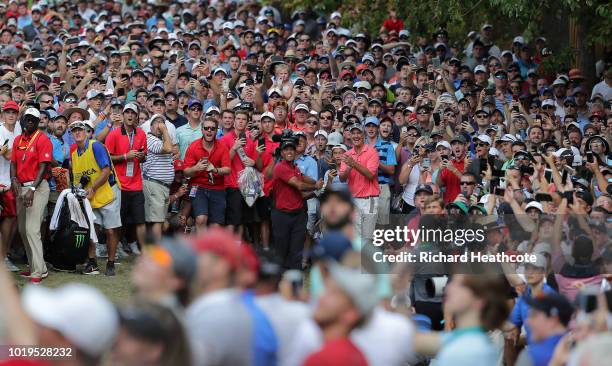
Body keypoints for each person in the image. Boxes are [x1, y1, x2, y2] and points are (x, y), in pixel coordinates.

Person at [185, 228, 254, 366]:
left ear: (221, 267)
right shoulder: (224, 303)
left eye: (198, 255)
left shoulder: (216, 313)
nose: (192, 261)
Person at [414, 275, 510, 366]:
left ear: (479, 300)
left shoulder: (469, 349)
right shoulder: (464, 338)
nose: (448, 288)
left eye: (459, 285)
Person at [70, 120, 122, 277]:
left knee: (110, 230)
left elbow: (106, 171)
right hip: (91, 196)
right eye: (74, 130)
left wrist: (93, 188)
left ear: (86, 132)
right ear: (72, 135)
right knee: (90, 229)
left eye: (80, 129)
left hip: (107, 192)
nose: (77, 132)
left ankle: (111, 262)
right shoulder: (74, 154)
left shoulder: (96, 146)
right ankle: (92, 262)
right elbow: (78, 180)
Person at [303, 251, 373, 366]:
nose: (321, 298)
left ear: (350, 314)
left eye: (333, 293)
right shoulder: (354, 354)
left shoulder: (325, 359)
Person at [11, 108, 52, 283]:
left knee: (32, 229)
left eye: (33, 120)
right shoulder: (18, 139)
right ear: (23, 120)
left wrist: (32, 189)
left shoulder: (43, 139)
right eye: (27, 119)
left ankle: (38, 272)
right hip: (21, 187)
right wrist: (13, 178)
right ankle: (37, 266)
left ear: (37, 122)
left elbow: (44, 167)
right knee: (22, 229)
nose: (29, 122)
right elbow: (13, 161)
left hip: (37, 188)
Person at [271, 133, 321, 269]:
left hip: (297, 215)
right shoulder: (281, 167)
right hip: (282, 215)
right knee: (282, 251)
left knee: (296, 251)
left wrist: (316, 190)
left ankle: (295, 283)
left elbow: (303, 193)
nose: (289, 152)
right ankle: (279, 282)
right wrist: (316, 186)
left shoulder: (296, 169)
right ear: (281, 152)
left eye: (292, 149)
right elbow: (299, 185)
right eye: (286, 149)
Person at [106, 102, 147, 255]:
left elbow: (143, 157)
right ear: (123, 115)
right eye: (127, 112)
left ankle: (145, 253)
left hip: (136, 183)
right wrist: (125, 156)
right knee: (118, 221)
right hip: (120, 184)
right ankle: (114, 249)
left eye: (133, 113)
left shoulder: (141, 134)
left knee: (140, 221)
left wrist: (141, 156)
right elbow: (108, 158)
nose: (130, 115)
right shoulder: (114, 133)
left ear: (136, 117)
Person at [183, 118, 231, 232]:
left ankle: (212, 248)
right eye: (206, 128)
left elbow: (228, 169)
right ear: (202, 130)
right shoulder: (194, 146)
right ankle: (201, 249)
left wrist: (215, 170)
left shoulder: (222, 146)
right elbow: (185, 172)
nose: (209, 131)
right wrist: (196, 168)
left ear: (216, 130)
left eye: (212, 128)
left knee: (216, 226)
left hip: (218, 187)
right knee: (201, 219)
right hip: (198, 186)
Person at [339, 123, 380, 245]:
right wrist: (348, 167)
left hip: (369, 199)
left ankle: (366, 263)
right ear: (349, 136)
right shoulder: (347, 154)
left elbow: (370, 175)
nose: (356, 136)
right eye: (353, 133)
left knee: (367, 237)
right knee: (355, 235)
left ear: (364, 135)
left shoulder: (372, 152)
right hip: (354, 199)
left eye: (359, 133)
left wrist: (353, 164)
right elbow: (342, 178)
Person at [515, 293, 573, 366]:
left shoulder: (531, 356)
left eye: (533, 315)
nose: (528, 321)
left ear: (553, 320)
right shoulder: (583, 350)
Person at [142, 114, 174, 240]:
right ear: (150, 127)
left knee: (159, 221)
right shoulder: (150, 138)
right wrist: (165, 130)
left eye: (162, 122)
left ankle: (153, 250)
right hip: (154, 184)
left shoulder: (160, 140)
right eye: (157, 122)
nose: (160, 125)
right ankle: (156, 254)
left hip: (161, 186)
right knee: (157, 221)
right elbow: (168, 148)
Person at [0, 100, 20, 271]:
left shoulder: (20, 129)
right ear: (3, 115)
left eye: (14, 112)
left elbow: (11, 154)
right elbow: (8, 156)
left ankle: (4, 256)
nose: (11, 115)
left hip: (12, 181)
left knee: (12, 218)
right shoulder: (0, 130)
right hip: (1, 180)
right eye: (8, 112)